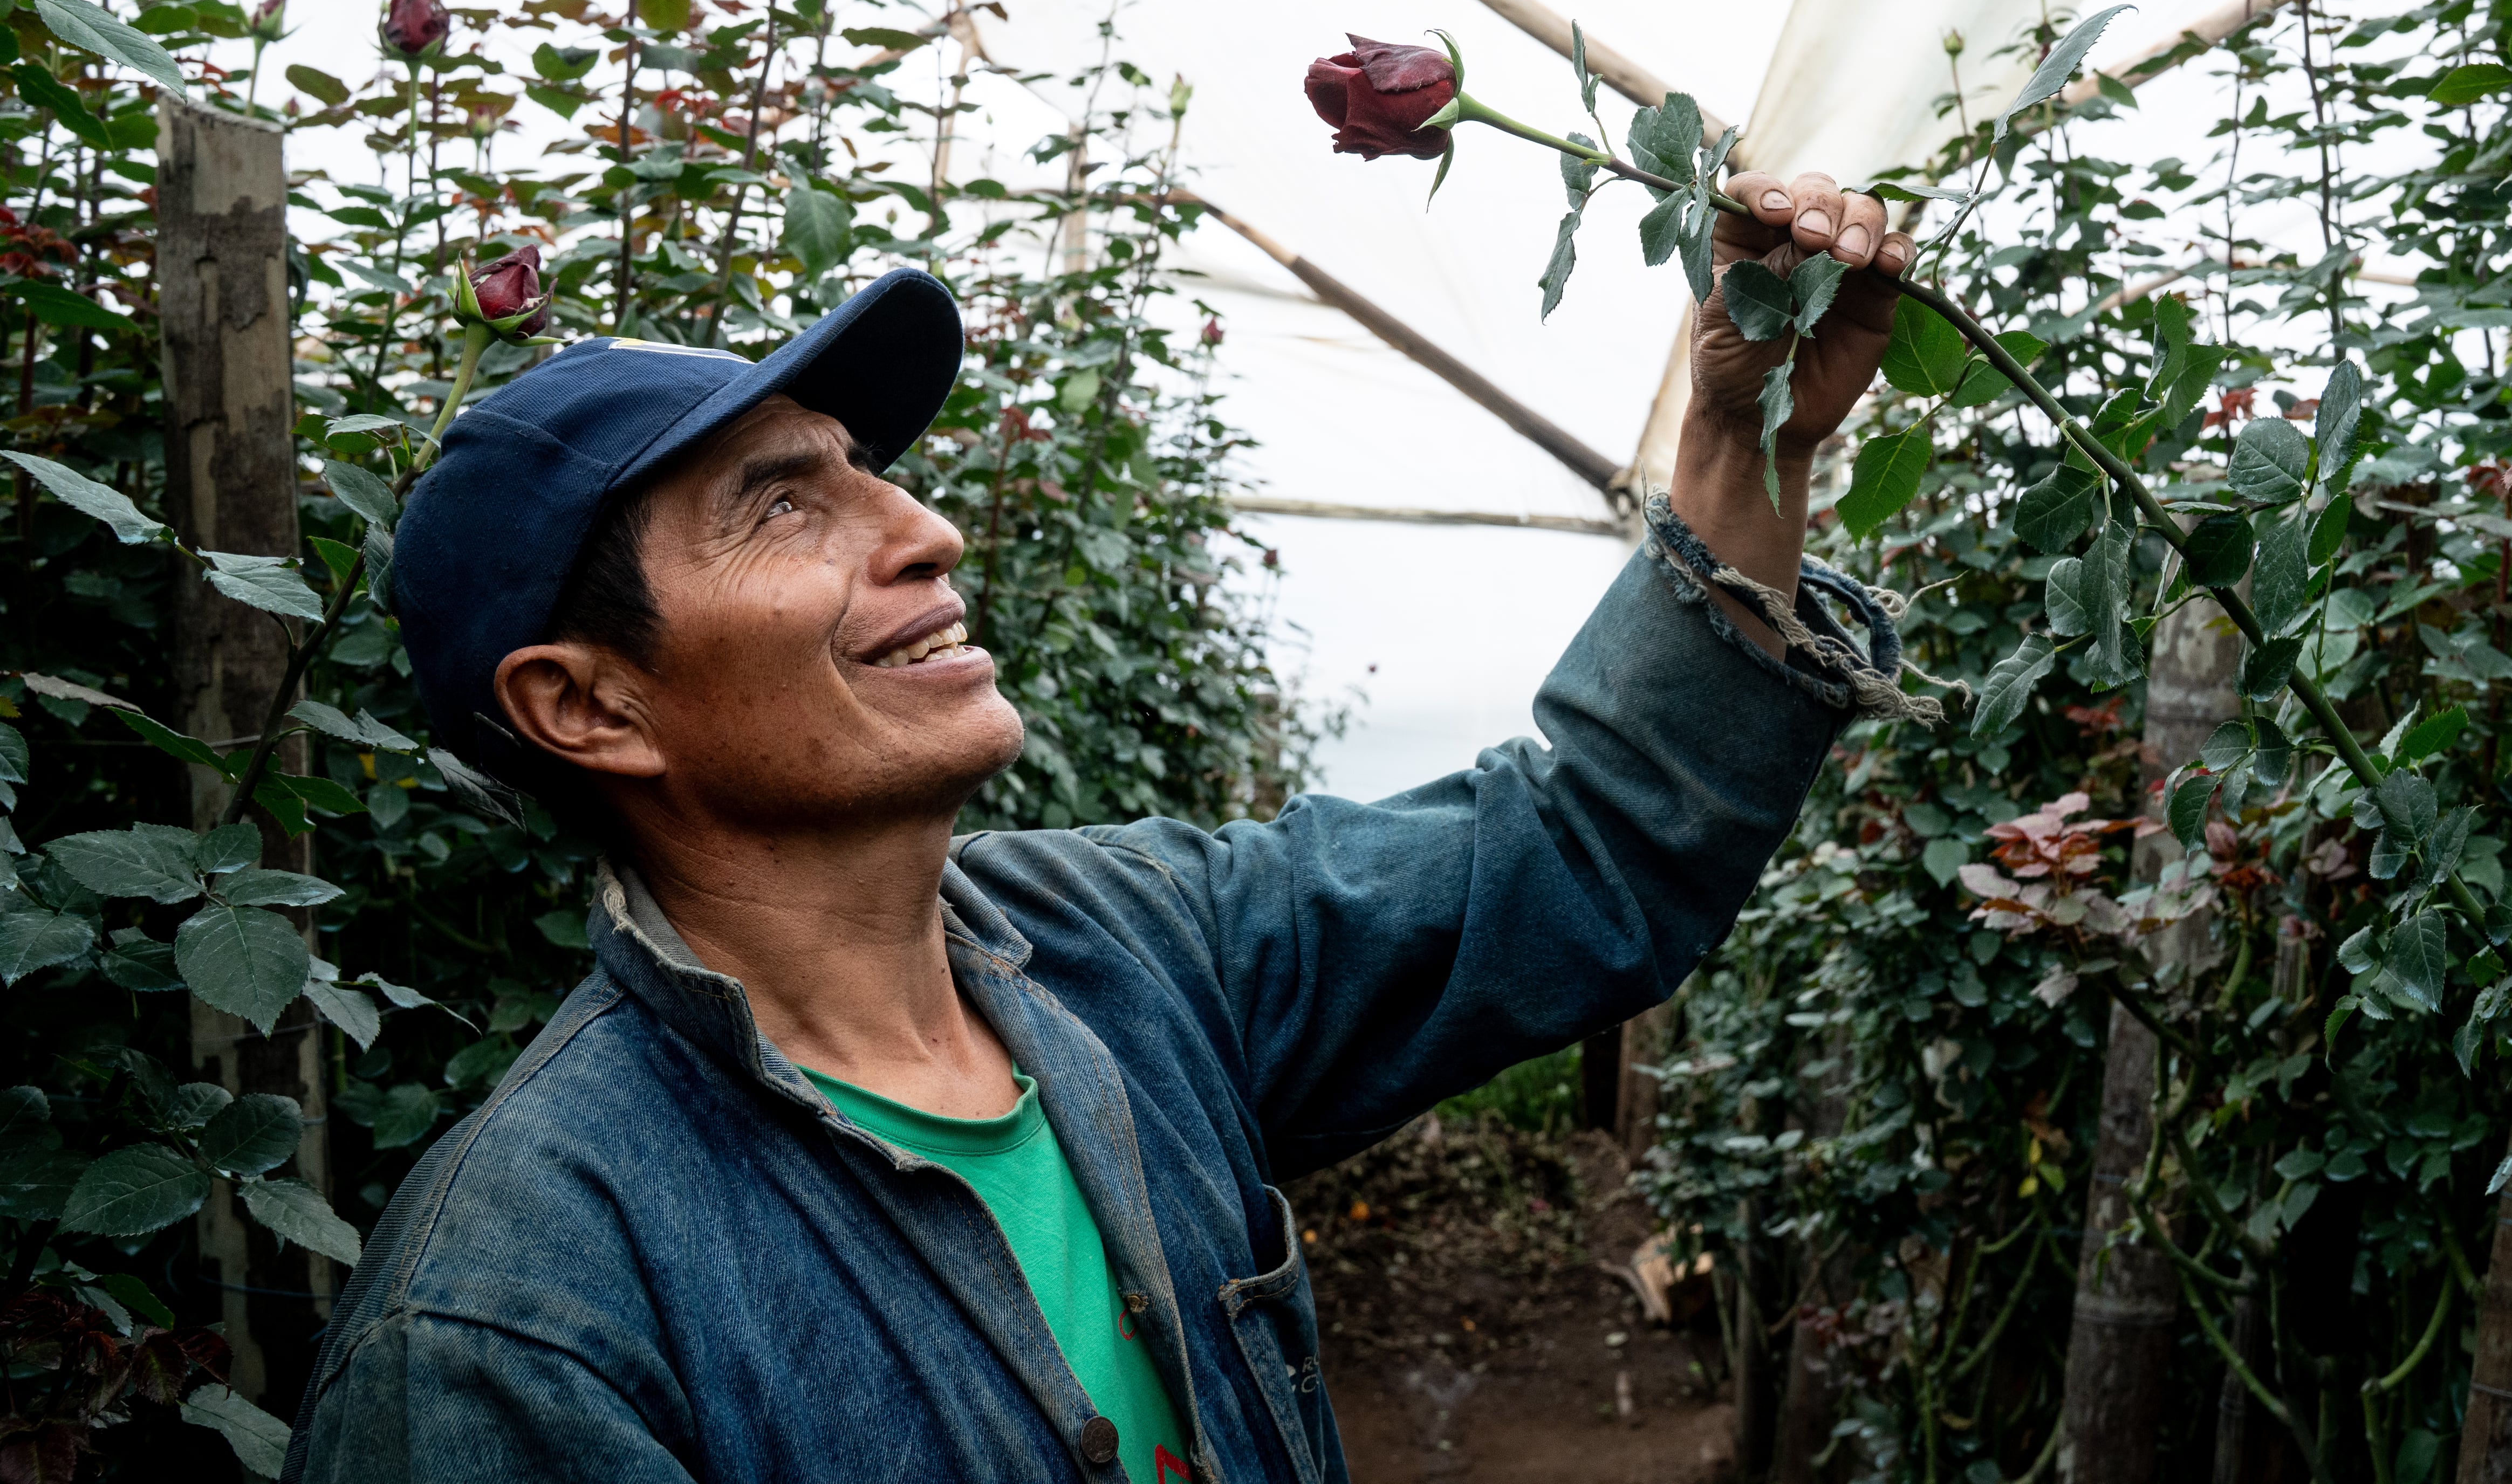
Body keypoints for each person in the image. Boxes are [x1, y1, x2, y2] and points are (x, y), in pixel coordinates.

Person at [281, 171, 1918, 1482]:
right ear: (591, 707)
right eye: (785, 503)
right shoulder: (517, 1318)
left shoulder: (1133, 947)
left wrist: (1740, 438)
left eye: (872, 474)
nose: (923, 526)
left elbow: (1579, 859)